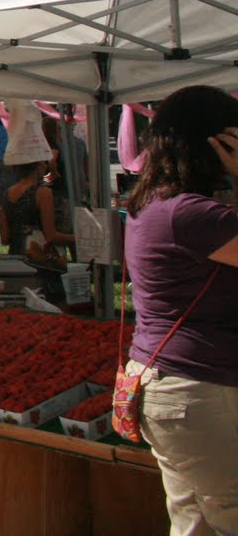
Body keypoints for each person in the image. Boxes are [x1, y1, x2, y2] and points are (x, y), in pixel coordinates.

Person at [122, 85, 238, 536]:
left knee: (195, 522)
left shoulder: (155, 203)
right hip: (200, 388)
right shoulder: (195, 214)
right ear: (217, 142)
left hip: (168, 384)